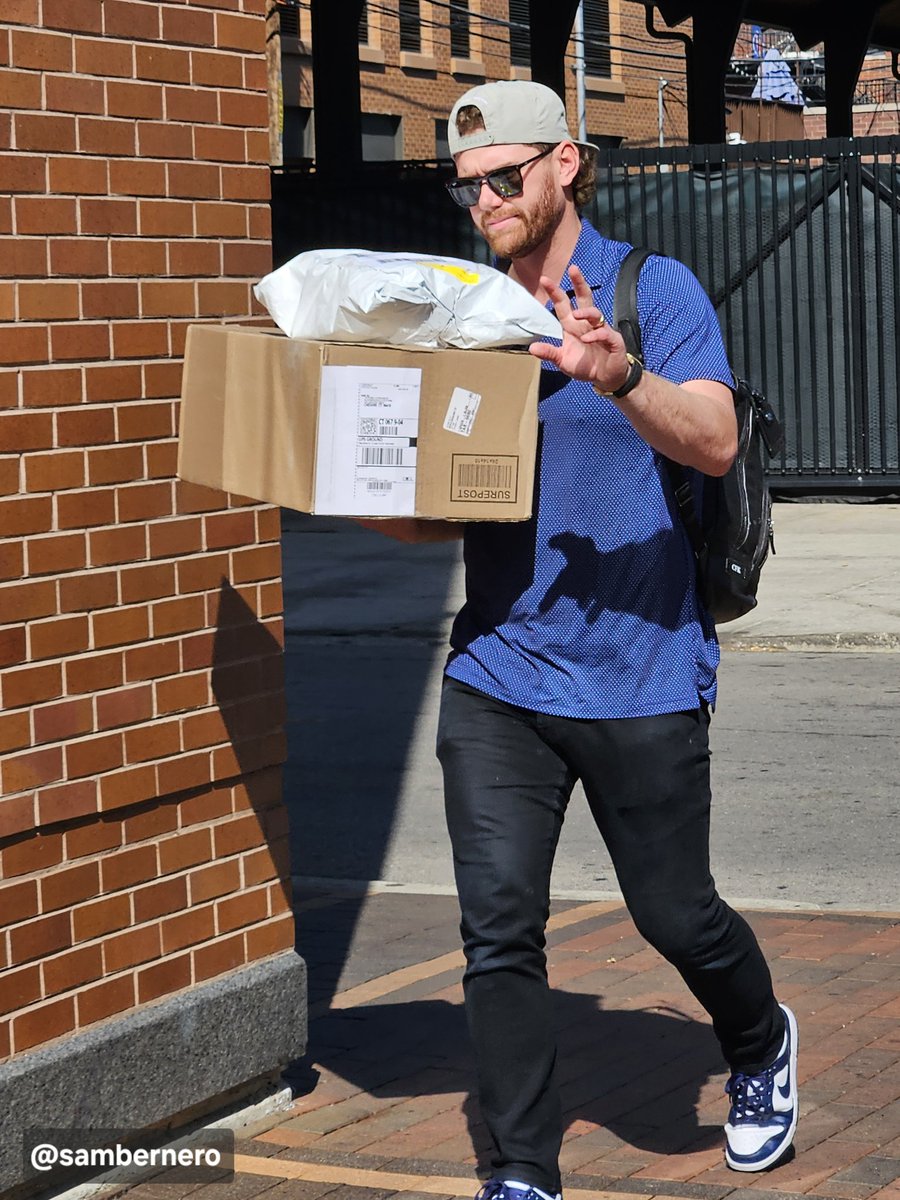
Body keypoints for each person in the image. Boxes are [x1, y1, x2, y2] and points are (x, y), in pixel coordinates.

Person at [366, 79, 798, 1195]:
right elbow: (429, 511)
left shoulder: (653, 289)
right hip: (498, 670)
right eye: (467, 186)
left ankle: (758, 1041)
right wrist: (365, 482)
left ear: (567, 164)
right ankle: (521, 1171)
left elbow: (710, 440)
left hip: (640, 667)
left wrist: (618, 374)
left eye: (504, 177)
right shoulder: (460, 315)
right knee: (498, 933)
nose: (484, 202)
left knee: (675, 913)